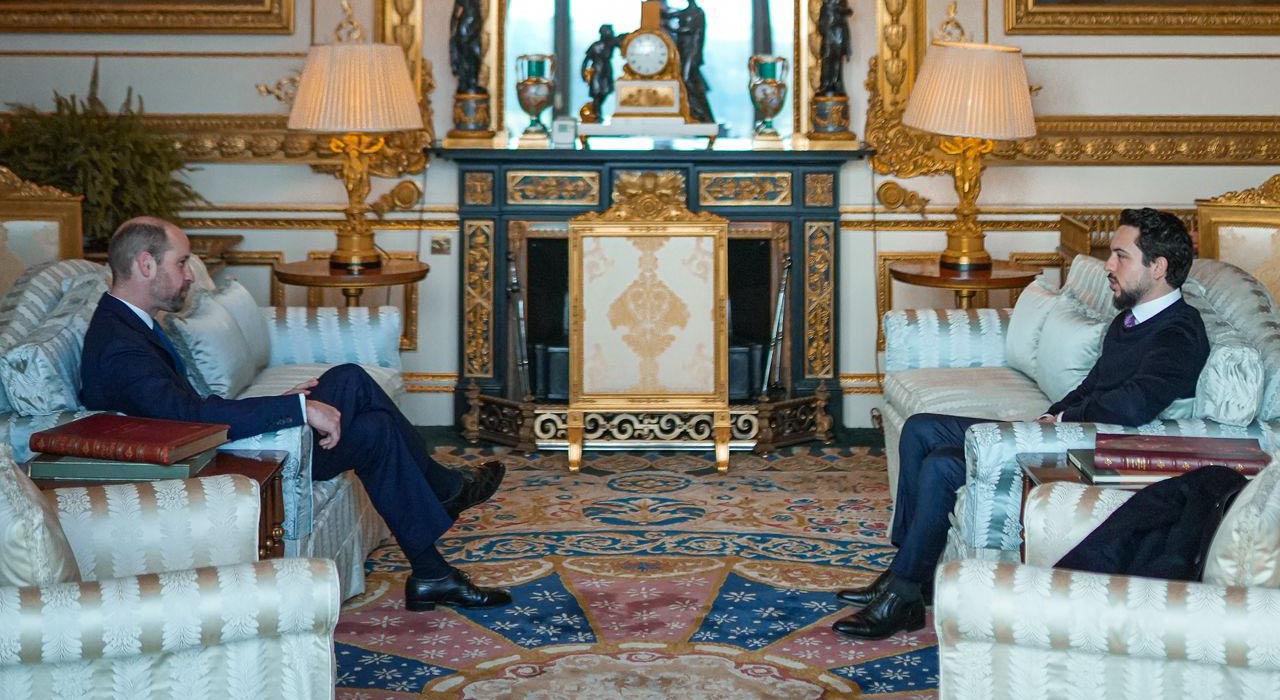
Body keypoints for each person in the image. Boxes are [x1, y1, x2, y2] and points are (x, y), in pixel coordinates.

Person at [80, 217, 511, 612]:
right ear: (146, 265)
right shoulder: (120, 344)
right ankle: (446, 489)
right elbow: (185, 416)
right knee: (351, 382)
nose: (190, 274)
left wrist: (282, 403)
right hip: (219, 462)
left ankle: (432, 573)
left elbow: (183, 407)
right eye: (182, 262)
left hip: (217, 440)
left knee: (371, 421)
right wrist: (295, 408)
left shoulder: (131, 322)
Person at [832, 208, 1210, 640]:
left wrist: (1064, 419)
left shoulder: (1178, 332)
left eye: (1120, 257)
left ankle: (903, 591)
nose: (1109, 265)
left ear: (1158, 267)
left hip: (1089, 452)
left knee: (941, 464)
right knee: (921, 430)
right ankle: (906, 577)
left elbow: (1134, 405)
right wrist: (1055, 412)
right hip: (1065, 430)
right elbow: (1093, 385)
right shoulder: (1131, 319)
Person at [662, 0, 714, 123]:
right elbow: (671, 15)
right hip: (685, 51)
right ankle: (696, 111)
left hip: (691, 52)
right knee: (687, 80)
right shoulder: (686, 12)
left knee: (687, 80)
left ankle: (701, 113)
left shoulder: (697, 13)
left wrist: (667, 26)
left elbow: (686, 29)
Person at [581, 24, 625, 123]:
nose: (611, 33)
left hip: (606, 71)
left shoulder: (610, 43)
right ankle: (597, 114)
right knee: (597, 94)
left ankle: (596, 112)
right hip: (597, 71)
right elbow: (586, 60)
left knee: (605, 92)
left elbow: (620, 41)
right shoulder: (595, 46)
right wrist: (583, 73)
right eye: (608, 31)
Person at [817, 0, 853, 96]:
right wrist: (825, 29)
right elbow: (821, 25)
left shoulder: (840, 3)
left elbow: (848, 12)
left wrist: (839, 11)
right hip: (828, 35)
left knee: (837, 61)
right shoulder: (825, 6)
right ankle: (825, 84)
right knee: (827, 60)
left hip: (838, 35)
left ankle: (835, 84)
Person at [450, 0, 485, 94]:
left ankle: (473, 82)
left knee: (476, 56)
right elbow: (456, 14)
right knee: (466, 56)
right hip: (465, 29)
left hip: (475, 30)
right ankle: (465, 83)